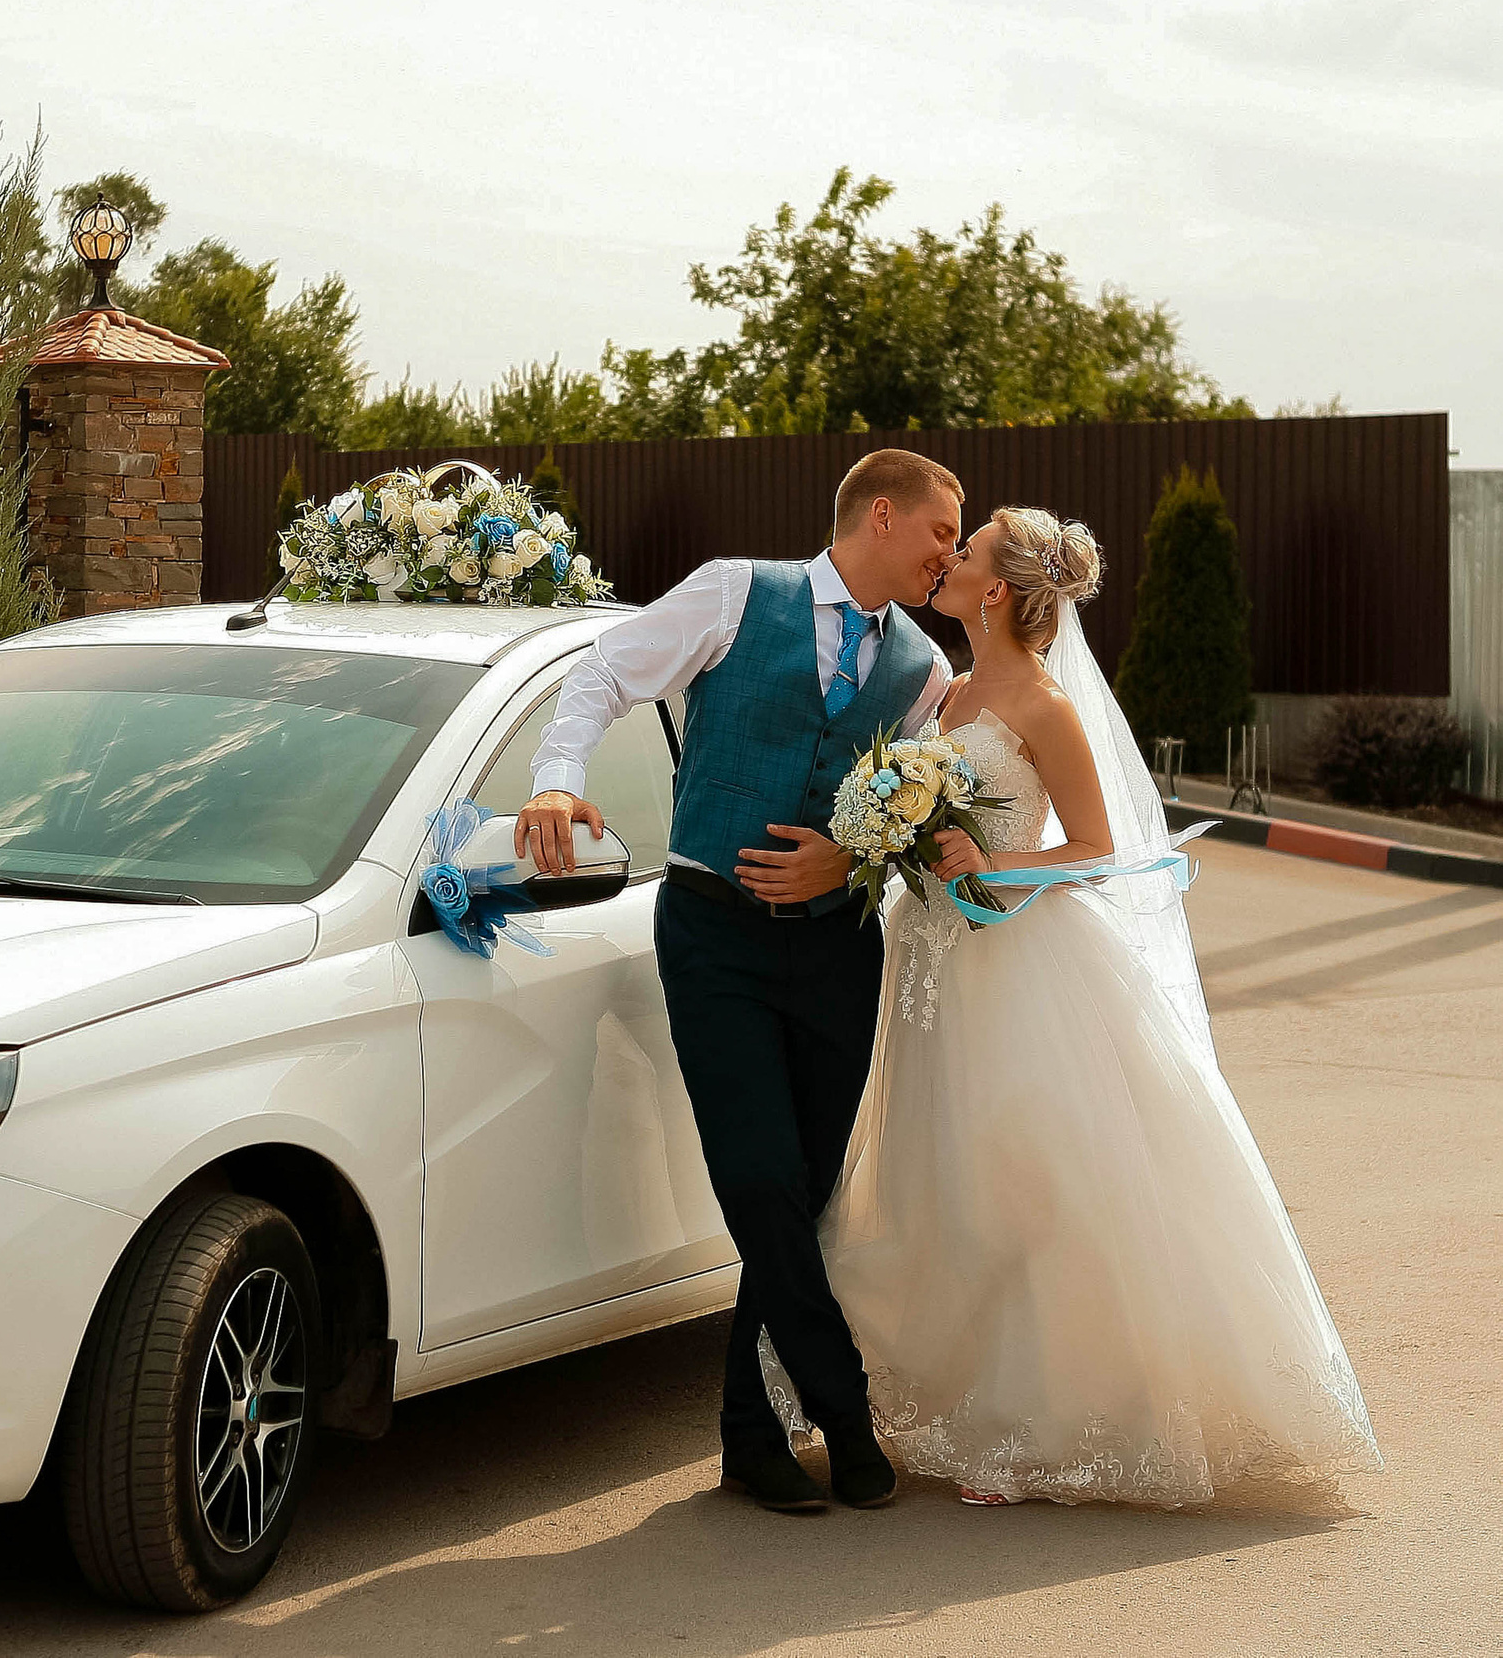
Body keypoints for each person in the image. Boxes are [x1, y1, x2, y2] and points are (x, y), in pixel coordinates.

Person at [799, 506, 1383, 1505]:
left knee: (1032, 1183)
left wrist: (991, 861)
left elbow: (1096, 846)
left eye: (966, 551)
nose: (948, 559)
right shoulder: (957, 690)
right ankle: (955, 1399)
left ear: (994, 589)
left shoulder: (1040, 702)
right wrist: (897, 837)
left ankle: (1037, 1429)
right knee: (950, 1183)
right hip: (939, 957)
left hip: (1022, 966)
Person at [518, 446, 964, 1513]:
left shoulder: (924, 671)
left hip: (835, 946)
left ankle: (745, 1437)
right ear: (885, 516)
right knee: (758, 1177)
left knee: (801, 1195)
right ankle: (845, 1416)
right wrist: (554, 778)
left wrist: (843, 858)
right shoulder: (733, 591)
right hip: (712, 933)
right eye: (944, 532)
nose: (949, 555)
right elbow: (604, 673)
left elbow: (911, 822)